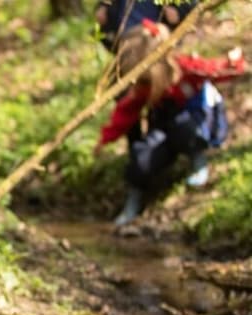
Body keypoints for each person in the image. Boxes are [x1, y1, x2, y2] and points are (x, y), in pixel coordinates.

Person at [94, 21, 245, 226]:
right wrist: (105, 139)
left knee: (183, 127)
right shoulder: (143, 87)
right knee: (141, 156)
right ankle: (134, 200)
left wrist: (233, 62)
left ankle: (197, 160)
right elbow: (126, 111)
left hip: (196, 124)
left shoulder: (186, 69)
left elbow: (217, 70)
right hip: (164, 129)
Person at [94, 0, 197, 53]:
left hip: (156, 41)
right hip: (125, 39)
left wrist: (180, 11)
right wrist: (103, 7)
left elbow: (190, 5)